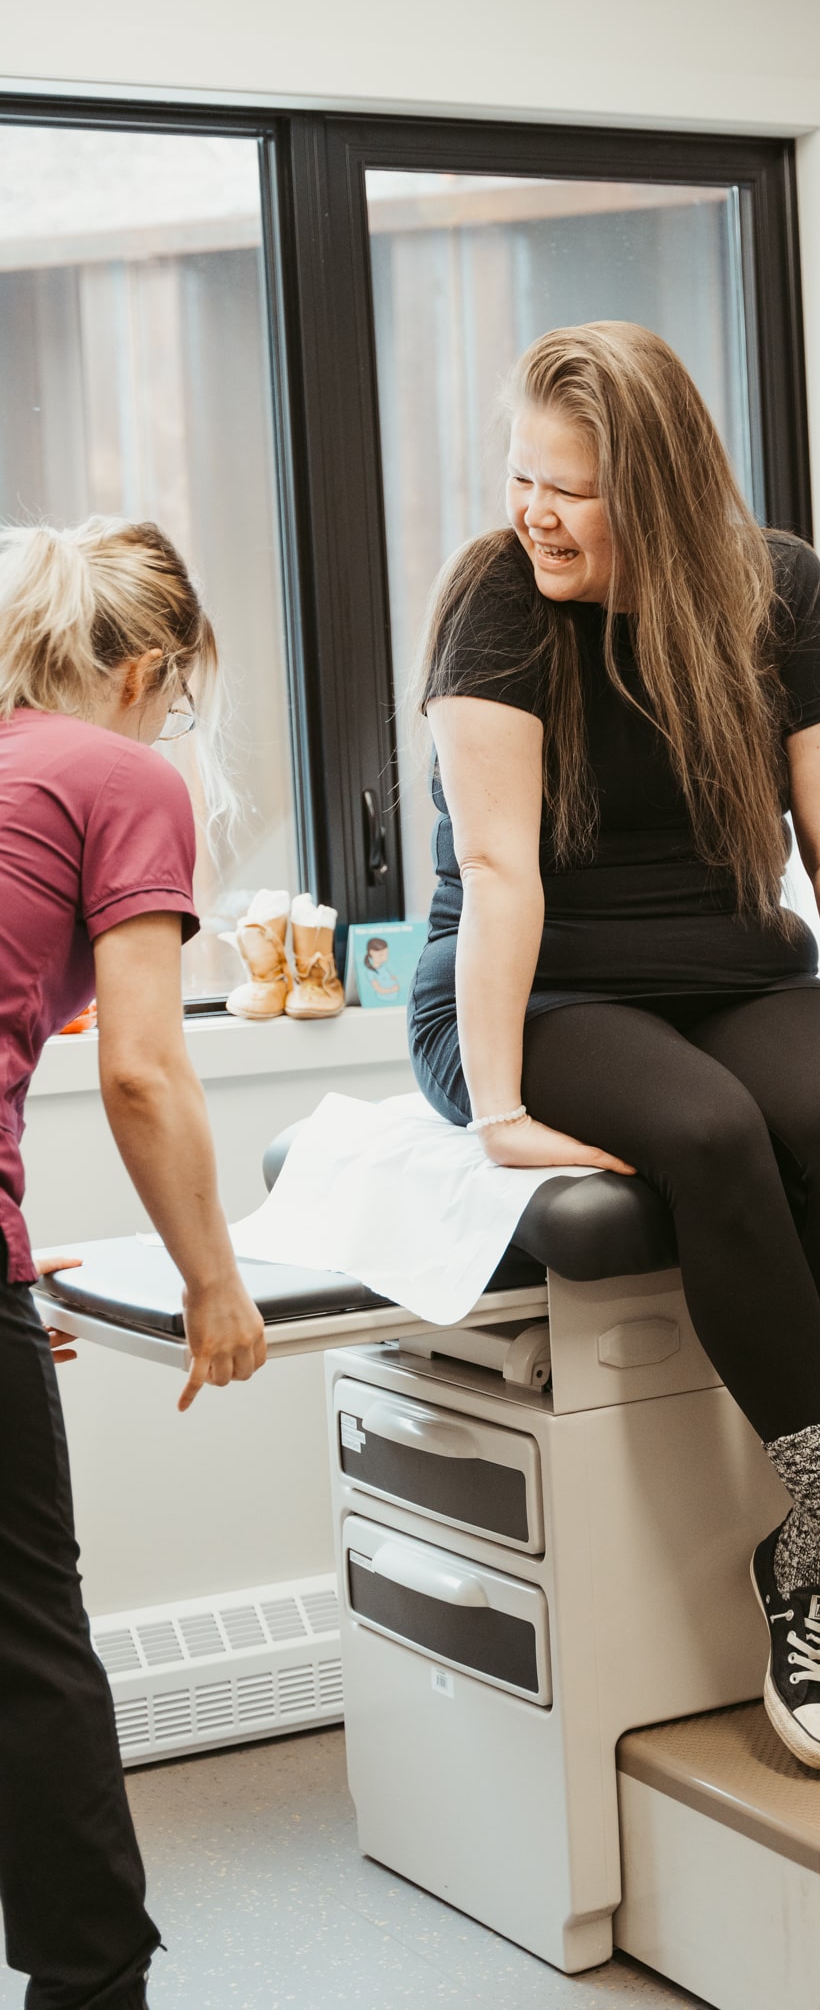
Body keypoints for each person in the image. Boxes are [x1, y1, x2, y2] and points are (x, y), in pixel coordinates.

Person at [409, 323, 820, 1775]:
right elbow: (498, 874)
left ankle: (804, 1570)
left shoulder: (776, 589)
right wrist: (494, 1114)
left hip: (731, 965)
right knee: (718, 1136)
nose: (533, 511)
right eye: (522, 475)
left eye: (572, 489)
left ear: (660, 494)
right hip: (538, 991)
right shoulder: (496, 599)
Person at [0, 518, 268, 2009]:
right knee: (30, 1640)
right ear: (148, 671)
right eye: (171, 699)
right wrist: (213, 1283)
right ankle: (94, 1986)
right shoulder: (123, 776)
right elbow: (147, 1075)